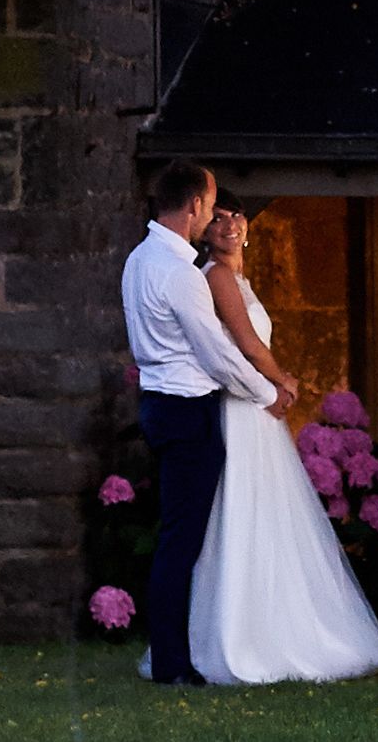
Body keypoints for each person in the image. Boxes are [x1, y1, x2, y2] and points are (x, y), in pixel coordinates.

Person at [183, 202, 378, 684]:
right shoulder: (215, 276)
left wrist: (277, 385)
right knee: (243, 509)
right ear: (205, 231)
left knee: (270, 512)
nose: (230, 225)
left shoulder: (240, 279)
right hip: (241, 407)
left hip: (257, 408)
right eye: (218, 218)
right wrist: (285, 383)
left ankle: (280, 625)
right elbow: (246, 343)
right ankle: (240, 635)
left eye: (236, 216)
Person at [122, 161, 273, 685]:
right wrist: (268, 392)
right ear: (192, 208)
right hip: (187, 412)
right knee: (183, 543)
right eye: (210, 207)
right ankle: (172, 664)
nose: (212, 216)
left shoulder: (138, 261)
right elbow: (218, 356)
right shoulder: (181, 274)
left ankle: (175, 655)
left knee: (178, 538)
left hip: (159, 405)